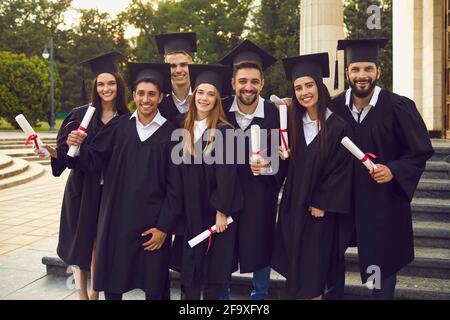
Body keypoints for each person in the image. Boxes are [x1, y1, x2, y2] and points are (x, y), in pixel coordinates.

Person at [326, 38, 434, 300]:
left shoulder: (398, 107)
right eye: (355, 70)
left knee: (381, 260)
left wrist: (394, 170)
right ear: (347, 73)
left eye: (367, 69)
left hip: (381, 201)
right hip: (341, 200)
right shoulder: (334, 108)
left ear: (378, 71)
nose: (362, 76)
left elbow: (420, 150)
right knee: (330, 254)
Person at [65, 62, 183, 300]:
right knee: (114, 285)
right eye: (141, 93)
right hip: (117, 222)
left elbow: (176, 188)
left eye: (152, 94)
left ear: (161, 97)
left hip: (152, 227)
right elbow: (93, 159)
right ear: (133, 95)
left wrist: (163, 228)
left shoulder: (172, 133)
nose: (146, 99)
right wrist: (74, 146)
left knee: (155, 288)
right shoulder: (119, 126)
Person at [36, 51, 129, 300]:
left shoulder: (128, 120)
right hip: (82, 187)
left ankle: (96, 292)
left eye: (111, 83)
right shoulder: (80, 115)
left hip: (111, 191)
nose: (106, 88)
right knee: (80, 241)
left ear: (119, 86)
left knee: (101, 242)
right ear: (94, 87)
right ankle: (81, 295)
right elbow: (67, 155)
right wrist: (53, 150)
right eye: (101, 84)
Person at [271, 52, 352, 300]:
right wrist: (279, 157)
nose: (304, 92)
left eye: (309, 85)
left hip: (318, 212)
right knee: (296, 271)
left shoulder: (338, 126)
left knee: (314, 273)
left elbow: (342, 169)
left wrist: (321, 201)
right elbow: (282, 168)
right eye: (298, 88)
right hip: (293, 208)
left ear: (319, 86)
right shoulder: (292, 124)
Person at [171, 64, 243, 300]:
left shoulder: (225, 131)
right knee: (189, 280)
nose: (204, 98)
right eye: (200, 92)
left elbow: (228, 175)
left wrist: (222, 210)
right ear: (193, 95)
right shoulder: (182, 126)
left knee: (212, 280)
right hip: (188, 214)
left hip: (213, 214)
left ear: (216, 100)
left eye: (210, 94)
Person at [218, 39, 281, 300]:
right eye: (242, 81)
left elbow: (283, 159)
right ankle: (221, 298)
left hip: (260, 195)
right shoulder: (219, 109)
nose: (248, 87)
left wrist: (268, 165)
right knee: (222, 250)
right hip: (224, 195)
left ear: (262, 83)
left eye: (254, 81)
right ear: (233, 82)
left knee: (261, 247)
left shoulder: (275, 113)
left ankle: (260, 297)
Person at [156, 32, 196, 124]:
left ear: (192, 65)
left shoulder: (203, 96)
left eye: (183, 64)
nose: (178, 70)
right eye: (172, 66)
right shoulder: (159, 101)